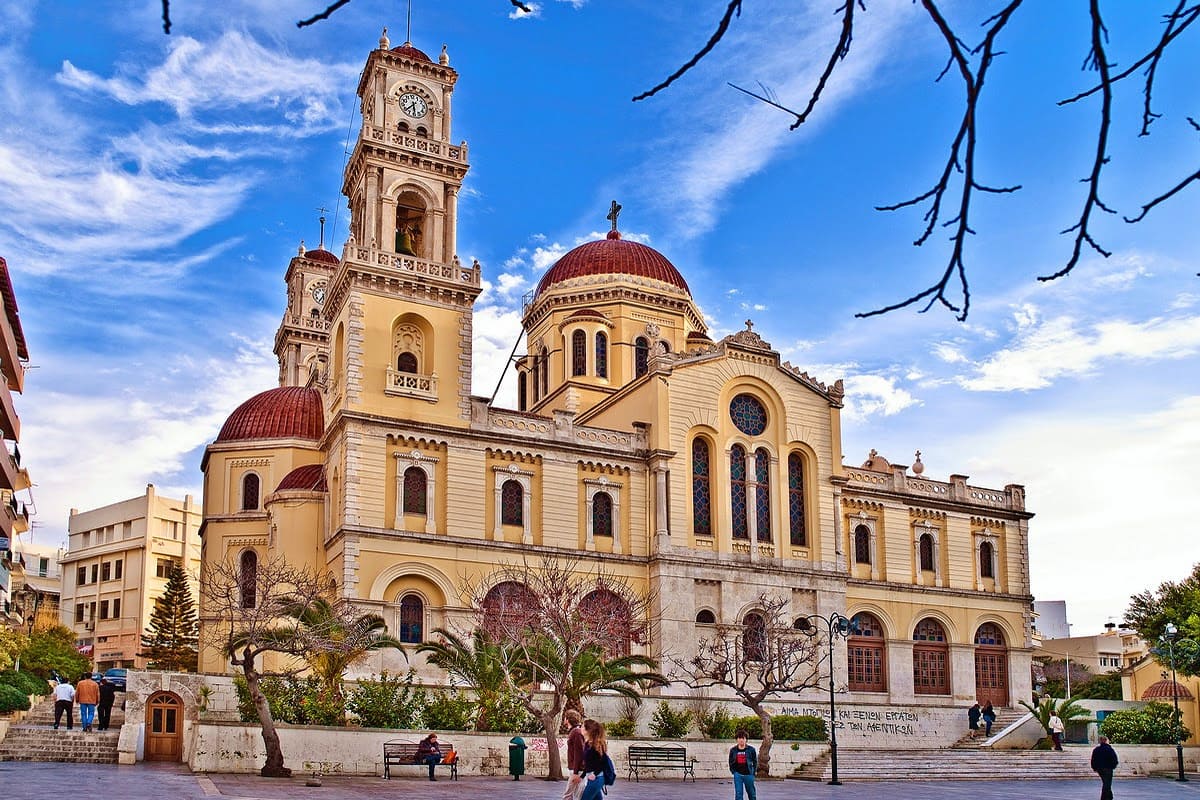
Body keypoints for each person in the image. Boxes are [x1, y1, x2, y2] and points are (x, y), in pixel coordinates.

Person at [576, 719, 608, 800]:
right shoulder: (587, 744)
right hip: (592, 778)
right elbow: (589, 763)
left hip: (597, 779)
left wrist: (595, 774)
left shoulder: (595, 745)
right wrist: (582, 776)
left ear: (588, 730)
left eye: (582, 726)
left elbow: (604, 762)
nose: (580, 728)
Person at [728, 728, 758, 800]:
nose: (741, 740)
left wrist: (753, 772)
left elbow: (755, 761)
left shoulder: (751, 749)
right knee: (738, 794)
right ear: (737, 739)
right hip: (738, 775)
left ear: (746, 739)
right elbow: (730, 761)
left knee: (751, 794)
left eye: (743, 738)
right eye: (739, 738)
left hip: (748, 774)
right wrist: (733, 772)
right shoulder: (733, 750)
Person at [563, 710, 586, 800]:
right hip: (576, 770)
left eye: (565, 717)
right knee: (573, 796)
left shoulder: (576, 733)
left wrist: (575, 772)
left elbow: (579, 753)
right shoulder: (576, 732)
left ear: (568, 719)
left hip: (578, 770)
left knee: (570, 796)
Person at [1090, 735, 1118, 800]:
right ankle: (1105, 797)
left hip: (1100, 769)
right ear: (1106, 741)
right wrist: (1113, 766)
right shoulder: (1109, 749)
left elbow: (1093, 759)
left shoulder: (1096, 750)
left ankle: (1109, 796)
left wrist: (1094, 768)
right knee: (1107, 783)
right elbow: (1114, 759)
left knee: (1105, 782)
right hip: (1108, 768)